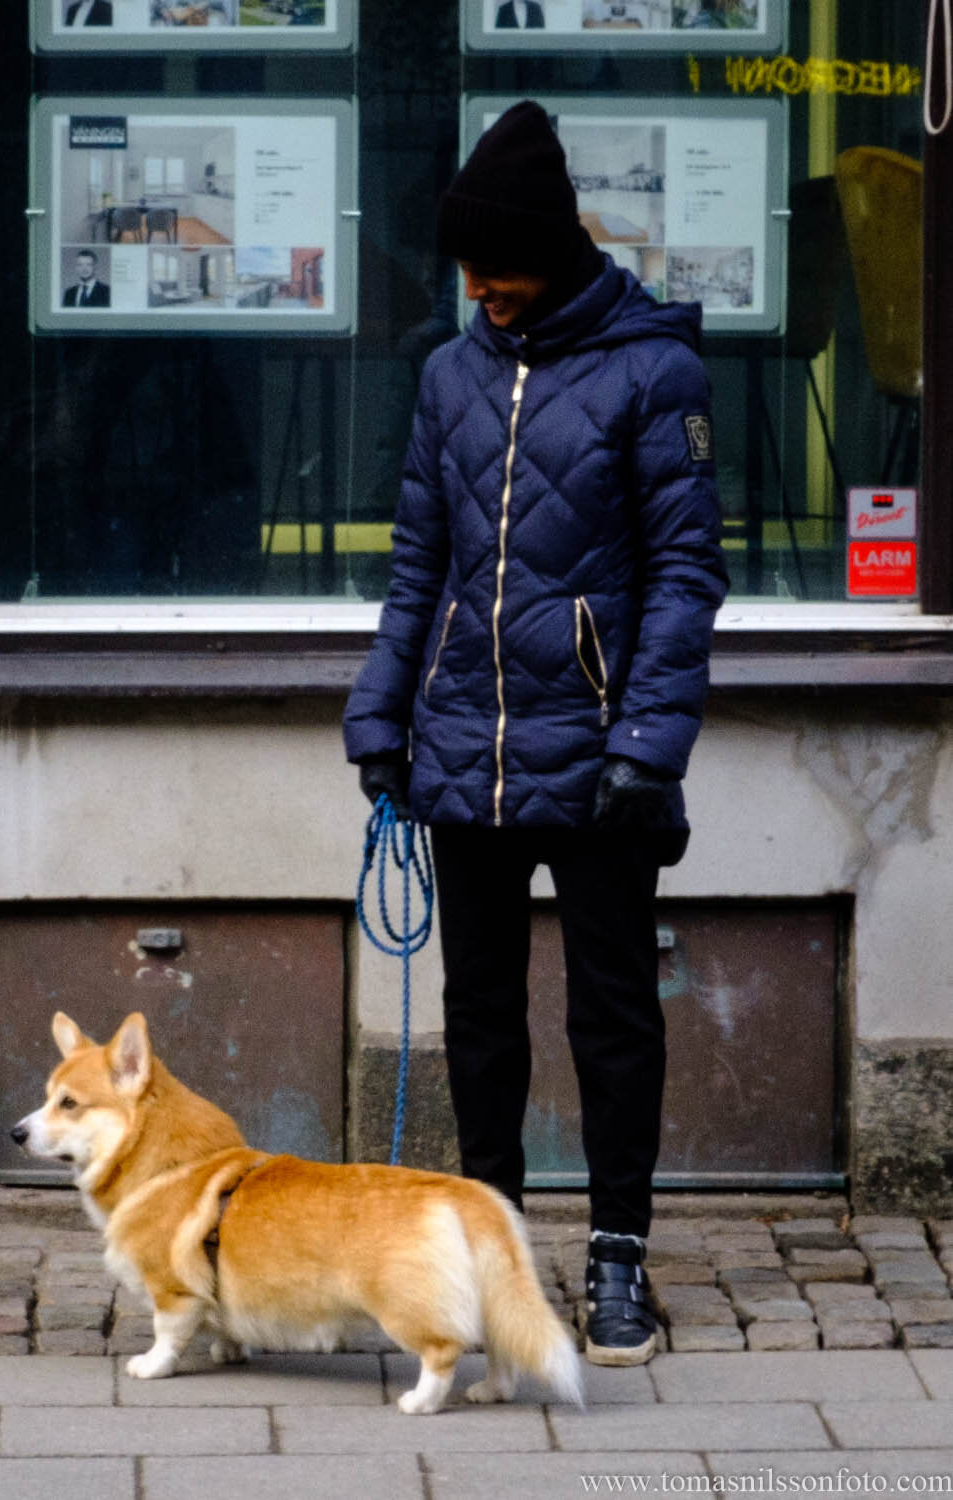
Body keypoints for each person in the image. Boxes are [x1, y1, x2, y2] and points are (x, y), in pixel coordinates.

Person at [343, 100, 727, 1367]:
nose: (478, 293)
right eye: (467, 274)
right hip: (465, 746)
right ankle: (491, 1252)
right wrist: (381, 714)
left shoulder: (654, 370)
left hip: (606, 753)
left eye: (494, 271)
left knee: (613, 1012)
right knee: (482, 1015)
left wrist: (647, 746)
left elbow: (684, 576)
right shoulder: (450, 374)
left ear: (553, 250)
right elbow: (419, 565)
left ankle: (619, 1260)